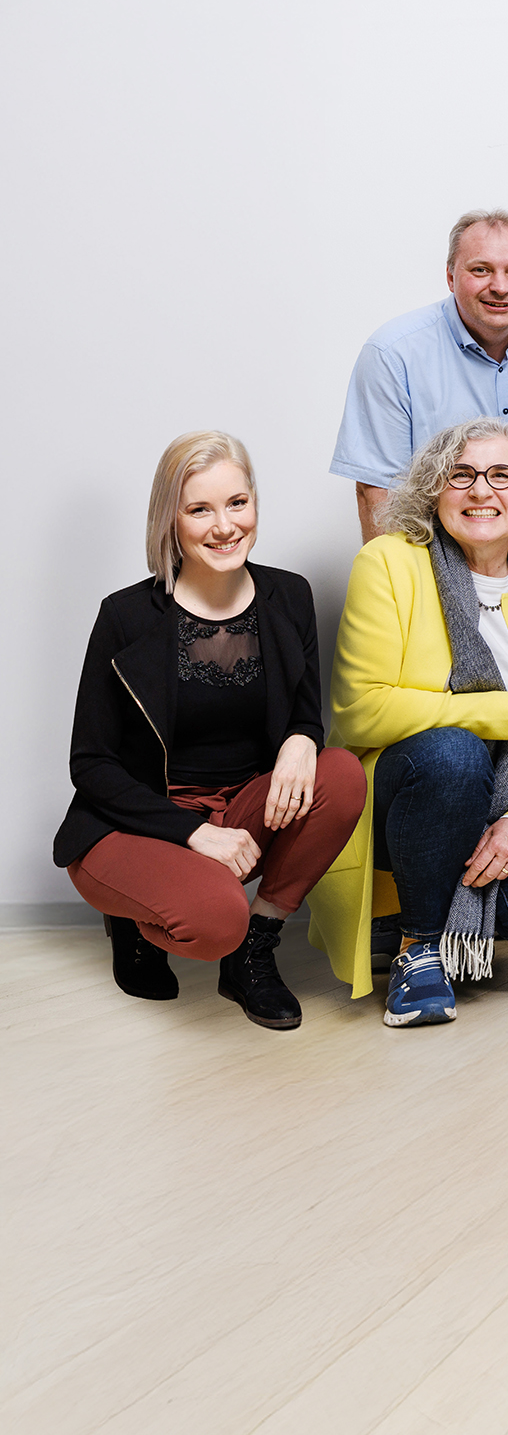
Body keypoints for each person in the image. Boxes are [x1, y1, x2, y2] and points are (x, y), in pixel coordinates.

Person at [56, 432, 365, 1029]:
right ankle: (133, 918)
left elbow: (303, 716)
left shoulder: (289, 596)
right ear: (170, 518)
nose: (225, 526)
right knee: (213, 923)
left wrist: (304, 738)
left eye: (238, 503)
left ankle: (256, 949)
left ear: (254, 504)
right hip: (136, 823)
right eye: (200, 509)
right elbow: (90, 762)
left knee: (341, 774)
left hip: (241, 812)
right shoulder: (124, 616)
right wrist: (195, 834)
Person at [319, 418, 508, 1028]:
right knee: (453, 754)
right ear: (434, 489)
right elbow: (360, 708)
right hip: (403, 789)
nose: (482, 491)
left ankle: (407, 907)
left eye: (503, 475)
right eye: (462, 475)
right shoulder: (388, 564)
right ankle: (420, 946)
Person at [330, 209, 508, 544]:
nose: (500, 287)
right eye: (481, 270)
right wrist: (402, 589)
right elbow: (377, 494)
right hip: (430, 560)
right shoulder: (392, 354)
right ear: (451, 276)